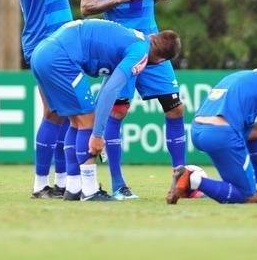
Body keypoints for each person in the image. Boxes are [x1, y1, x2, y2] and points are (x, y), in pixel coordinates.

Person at [81, 0, 185, 200]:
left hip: (152, 44)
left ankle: (181, 180)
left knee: (175, 108)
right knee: (119, 109)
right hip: (122, 45)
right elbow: (86, 6)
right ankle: (118, 184)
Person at [30, 19, 181, 201]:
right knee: (88, 121)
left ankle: (74, 187)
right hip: (60, 59)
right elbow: (111, 90)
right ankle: (90, 190)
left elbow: (106, 88)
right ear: (161, 60)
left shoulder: (133, 36)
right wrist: (98, 134)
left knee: (76, 121)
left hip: (42, 53)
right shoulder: (141, 52)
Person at [11, 0, 90, 199]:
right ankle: (40, 185)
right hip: (43, 43)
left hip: (61, 41)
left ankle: (61, 181)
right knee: (55, 112)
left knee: (64, 112)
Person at [168, 63, 257, 204]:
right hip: (221, 134)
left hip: (198, 130)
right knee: (245, 195)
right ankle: (192, 179)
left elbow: (255, 126)